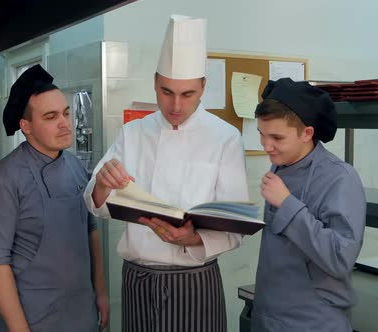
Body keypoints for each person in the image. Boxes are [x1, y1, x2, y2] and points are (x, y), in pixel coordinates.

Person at [84, 15, 249, 332]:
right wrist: (102, 184)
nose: (175, 105)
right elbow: (96, 203)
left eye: (187, 94)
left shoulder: (225, 138)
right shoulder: (133, 133)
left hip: (194, 283)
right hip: (137, 280)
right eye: (166, 91)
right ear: (155, 81)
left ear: (203, 87)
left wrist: (194, 237)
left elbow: (235, 226)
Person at [0, 64, 108, 332]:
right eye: (50, 117)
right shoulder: (2, 181)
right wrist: (18, 328)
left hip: (80, 311)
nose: (64, 123)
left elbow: (90, 232)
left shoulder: (75, 166)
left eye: (66, 113)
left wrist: (101, 292)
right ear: (26, 126)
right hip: (31, 316)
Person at [251, 78, 366, 331]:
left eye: (277, 138)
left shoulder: (340, 178)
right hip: (269, 314)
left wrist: (287, 204)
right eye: (261, 134)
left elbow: (340, 257)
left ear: (307, 133)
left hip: (313, 321)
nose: (266, 146)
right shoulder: (281, 165)